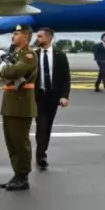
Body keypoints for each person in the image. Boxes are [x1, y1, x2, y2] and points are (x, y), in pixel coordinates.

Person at [0, 24, 38, 191]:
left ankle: (23, 175)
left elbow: (13, 71)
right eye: (13, 34)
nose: (13, 37)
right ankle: (16, 173)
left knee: (20, 141)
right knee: (11, 141)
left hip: (21, 103)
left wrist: (3, 67)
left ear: (26, 37)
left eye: (16, 34)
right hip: (11, 102)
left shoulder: (28, 55)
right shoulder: (15, 54)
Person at [33, 28, 71, 170]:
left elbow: (66, 78)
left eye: (40, 36)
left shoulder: (59, 55)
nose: (37, 38)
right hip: (38, 96)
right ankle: (41, 155)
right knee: (41, 125)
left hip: (53, 96)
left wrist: (64, 96)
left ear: (49, 38)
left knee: (48, 125)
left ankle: (42, 151)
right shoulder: (34, 55)